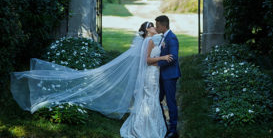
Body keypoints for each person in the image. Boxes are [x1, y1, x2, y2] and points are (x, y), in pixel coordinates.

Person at [10, 21, 174, 138]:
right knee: (149, 99)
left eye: (154, 25)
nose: (154, 26)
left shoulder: (151, 40)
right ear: (146, 31)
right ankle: (146, 128)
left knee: (149, 99)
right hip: (150, 74)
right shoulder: (150, 41)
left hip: (152, 74)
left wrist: (162, 51)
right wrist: (163, 57)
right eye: (151, 26)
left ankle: (149, 125)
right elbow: (147, 60)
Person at [155, 15, 181, 138]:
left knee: (170, 102)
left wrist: (157, 64)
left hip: (170, 75)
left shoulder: (172, 38)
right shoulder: (163, 38)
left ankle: (173, 129)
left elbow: (173, 57)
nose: (156, 27)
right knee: (157, 99)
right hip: (162, 75)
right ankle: (163, 124)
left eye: (158, 25)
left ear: (164, 26)